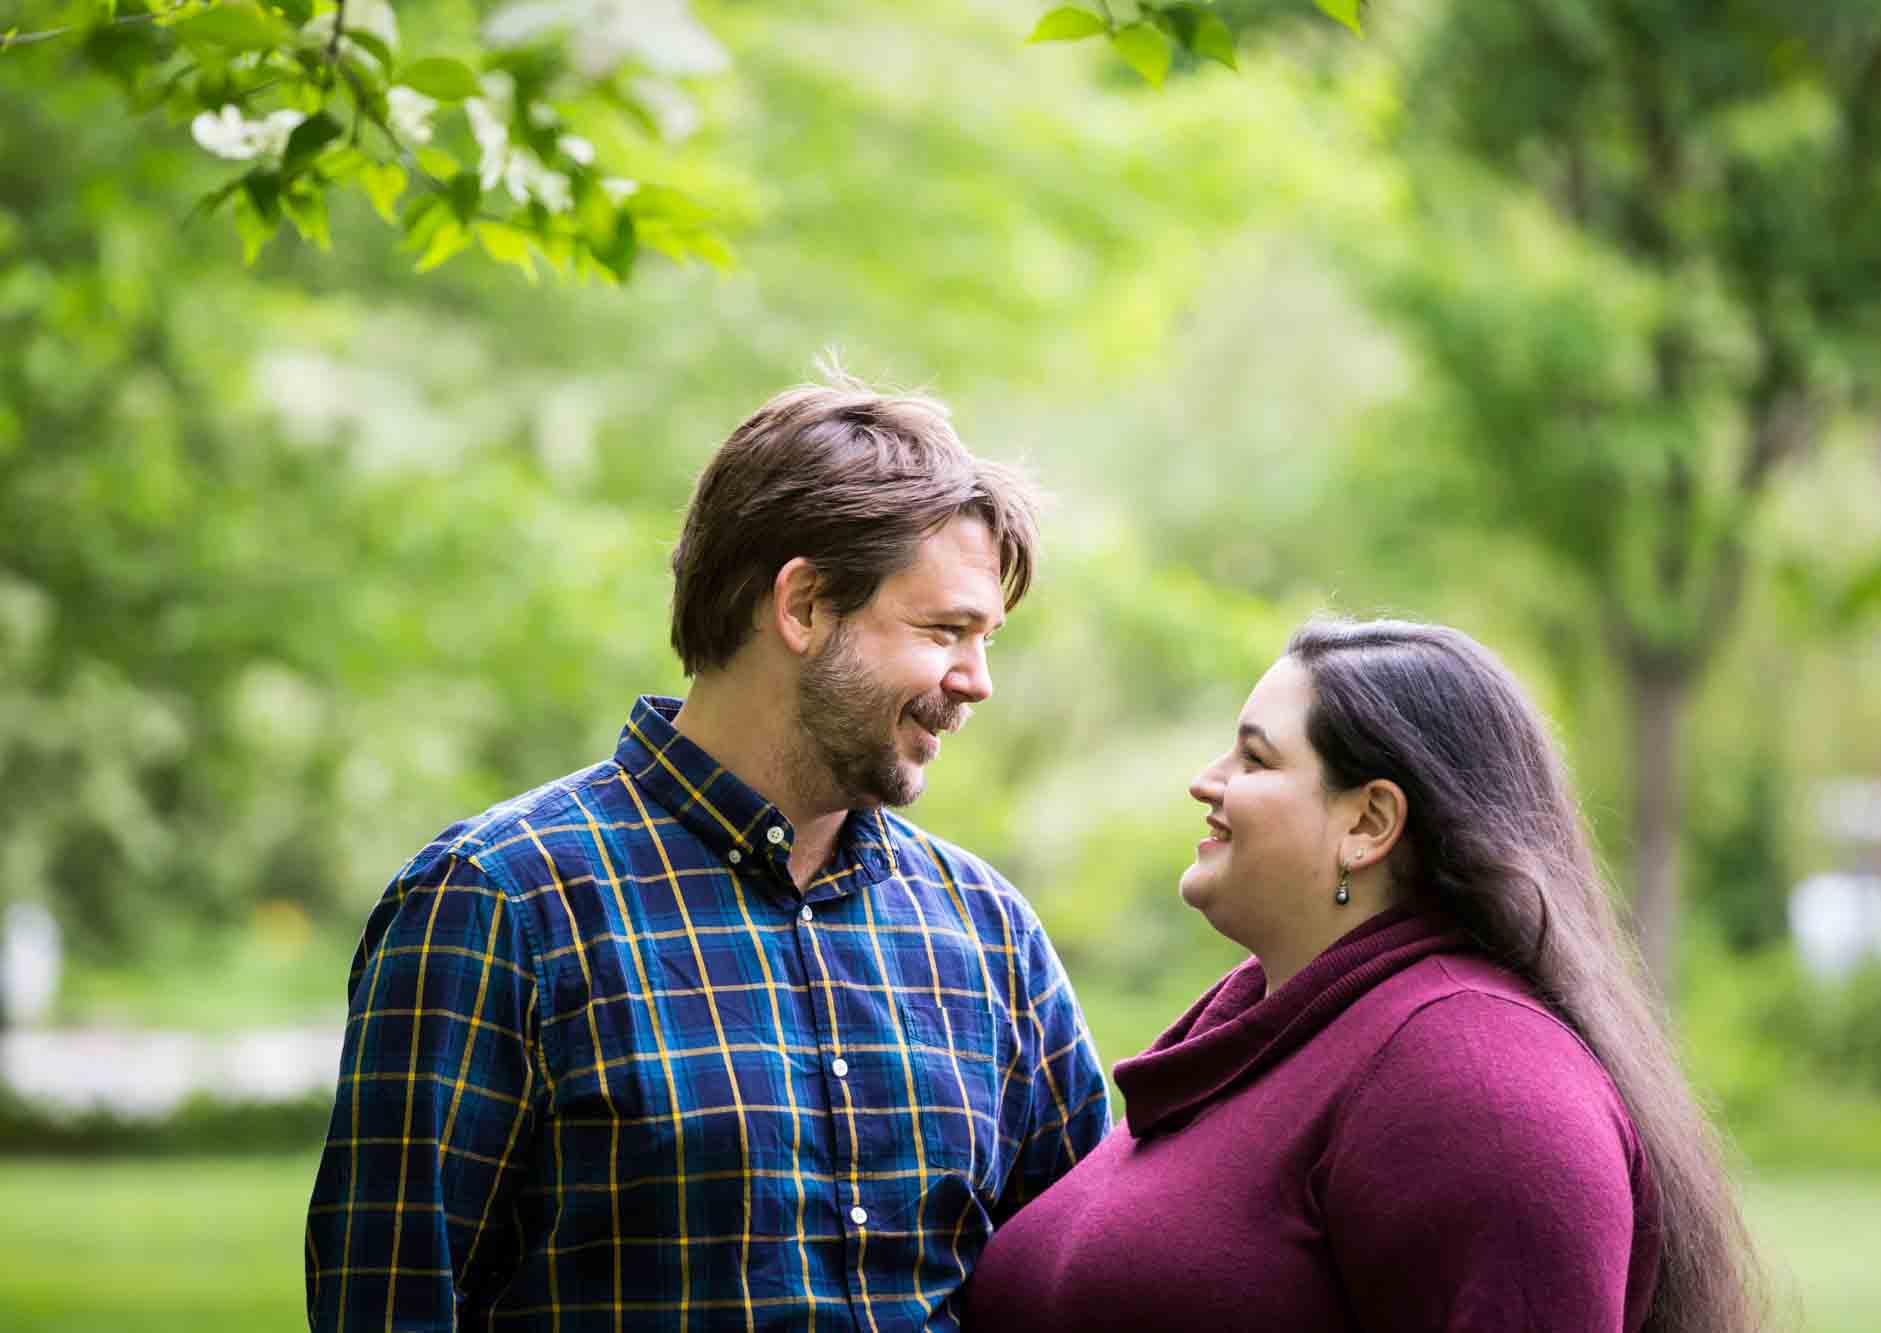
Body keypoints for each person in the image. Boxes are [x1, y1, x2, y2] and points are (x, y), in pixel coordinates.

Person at [306, 375, 1111, 1330]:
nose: (977, 681)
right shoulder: (496, 906)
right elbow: (387, 1302)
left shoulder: (988, 933)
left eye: (988, 638)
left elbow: (1079, 1282)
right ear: (805, 606)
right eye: (945, 631)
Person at [965, 617, 1764, 1333]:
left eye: (1254, 757)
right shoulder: (1275, 1039)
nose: (1207, 781)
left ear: (1369, 822)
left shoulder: (1477, 1079)